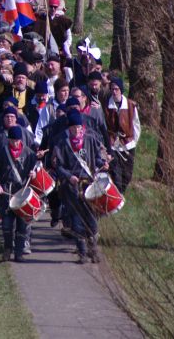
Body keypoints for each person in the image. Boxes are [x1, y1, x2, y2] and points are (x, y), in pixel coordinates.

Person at [52, 110, 109, 263]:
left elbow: (97, 158)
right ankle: (82, 253)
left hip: (89, 185)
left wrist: (103, 164)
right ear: (69, 128)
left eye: (79, 127)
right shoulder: (63, 144)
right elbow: (58, 166)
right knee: (77, 220)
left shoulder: (90, 140)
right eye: (73, 128)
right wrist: (69, 176)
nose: (77, 130)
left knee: (92, 218)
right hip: (72, 187)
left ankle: (93, 249)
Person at [0, 125, 38, 262]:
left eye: (17, 140)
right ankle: (7, 250)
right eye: (12, 140)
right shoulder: (2, 152)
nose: (15, 143)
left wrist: (34, 174)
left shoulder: (29, 153)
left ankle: (19, 253)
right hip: (6, 192)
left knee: (22, 226)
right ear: (9, 139)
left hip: (23, 193)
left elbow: (36, 170)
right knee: (7, 225)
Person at [104, 77, 140, 192]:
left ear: (121, 90)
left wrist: (133, 141)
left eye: (116, 89)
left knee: (127, 174)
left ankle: (121, 193)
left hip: (128, 144)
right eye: (112, 89)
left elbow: (136, 124)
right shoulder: (106, 106)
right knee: (116, 174)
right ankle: (118, 194)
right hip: (113, 144)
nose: (114, 92)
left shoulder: (130, 105)